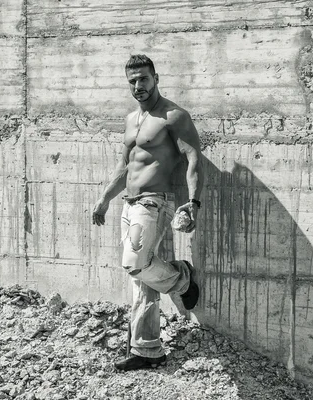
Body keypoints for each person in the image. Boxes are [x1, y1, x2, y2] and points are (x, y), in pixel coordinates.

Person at [92, 54, 205, 371]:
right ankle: (147, 350)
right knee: (140, 280)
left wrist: (193, 202)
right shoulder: (131, 120)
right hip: (129, 204)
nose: (138, 86)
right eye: (132, 80)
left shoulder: (173, 116)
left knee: (134, 263)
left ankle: (181, 279)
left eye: (143, 78)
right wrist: (105, 199)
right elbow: (124, 166)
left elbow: (194, 159)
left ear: (156, 78)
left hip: (155, 201)